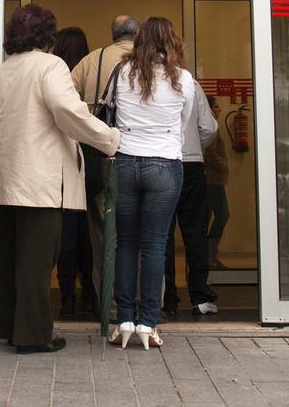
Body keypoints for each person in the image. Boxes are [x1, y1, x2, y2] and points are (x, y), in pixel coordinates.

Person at [0, 5, 120, 354]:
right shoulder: (50, 65)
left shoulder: (0, 72)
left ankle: (11, 327)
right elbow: (68, 111)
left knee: (7, 259)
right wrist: (109, 138)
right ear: (47, 36)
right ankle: (33, 335)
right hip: (36, 179)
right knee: (36, 260)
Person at [109, 17, 194, 350]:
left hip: (126, 161)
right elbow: (184, 121)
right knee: (156, 245)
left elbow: (111, 112)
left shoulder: (122, 73)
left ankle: (124, 319)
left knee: (125, 244)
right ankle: (148, 322)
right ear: (172, 42)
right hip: (165, 162)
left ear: (139, 40)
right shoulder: (182, 79)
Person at [71, 14, 138, 303]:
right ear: (137, 33)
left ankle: (109, 303)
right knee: (141, 233)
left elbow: (66, 99)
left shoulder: (92, 60)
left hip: (100, 157)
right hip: (140, 157)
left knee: (102, 235)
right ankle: (144, 301)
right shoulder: (152, 61)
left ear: (113, 34)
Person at [162, 78, 217, 319]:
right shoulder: (191, 84)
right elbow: (209, 128)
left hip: (162, 161)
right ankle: (199, 297)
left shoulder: (149, 79)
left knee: (162, 236)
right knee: (195, 234)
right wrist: (195, 146)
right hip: (192, 164)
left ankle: (167, 298)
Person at [52, 27, 97, 320]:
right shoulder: (91, 72)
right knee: (88, 232)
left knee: (66, 231)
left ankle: (67, 295)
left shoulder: (56, 75)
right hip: (90, 158)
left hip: (62, 161)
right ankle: (90, 292)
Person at [204, 95, 231, 269]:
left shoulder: (211, 126)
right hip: (213, 180)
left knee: (208, 217)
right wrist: (224, 166)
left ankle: (209, 255)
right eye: (216, 106)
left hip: (211, 179)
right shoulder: (211, 127)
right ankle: (210, 254)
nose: (219, 110)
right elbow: (211, 153)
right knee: (223, 215)